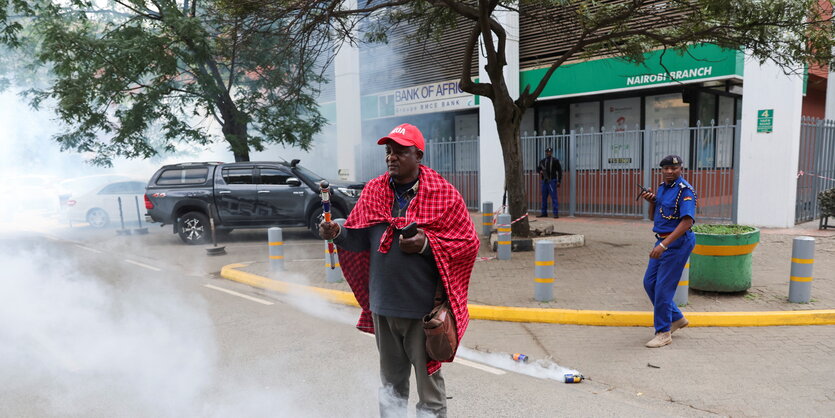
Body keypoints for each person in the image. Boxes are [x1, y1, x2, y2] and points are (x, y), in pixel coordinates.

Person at [319, 123, 479, 417]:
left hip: (423, 311)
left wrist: (425, 244)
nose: (391, 157)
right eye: (388, 151)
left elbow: (467, 244)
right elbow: (357, 237)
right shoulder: (373, 191)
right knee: (391, 389)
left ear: (418, 155)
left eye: (400, 152)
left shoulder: (444, 195)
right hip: (384, 307)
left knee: (429, 392)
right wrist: (337, 231)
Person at [639, 155, 698, 348]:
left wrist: (664, 246)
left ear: (681, 169)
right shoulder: (662, 188)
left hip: (677, 242)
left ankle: (663, 332)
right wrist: (652, 202)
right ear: (662, 170)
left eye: (674, 168)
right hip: (662, 240)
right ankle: (677, 318)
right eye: (666, 168)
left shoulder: (685, 191)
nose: (670, 172)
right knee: (649, 283)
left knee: (663, 287)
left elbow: (687, 221)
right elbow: (654, 217)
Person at [536, 147, 562, 218]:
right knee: (544, 198)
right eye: (547, 152)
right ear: (546, 152)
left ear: (552, 153)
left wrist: (559, 181)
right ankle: (544, 213)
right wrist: (540, 171)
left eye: (550, 152)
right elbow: (538, 168)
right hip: (544, 181)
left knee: (554, 197)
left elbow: (559, 171)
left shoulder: (555, 161)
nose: (548, 153)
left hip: (552, 181)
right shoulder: (542, 161)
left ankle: (555, 213)